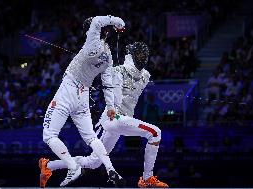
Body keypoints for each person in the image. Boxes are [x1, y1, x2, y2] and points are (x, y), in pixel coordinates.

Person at [42, 42, 169, 188]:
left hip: (123, 120)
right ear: (130, 56)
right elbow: (111, 90)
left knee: (94, 162)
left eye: (144, 55)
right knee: (155, 132)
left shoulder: (146, 76)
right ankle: (147, 178)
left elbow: (135, 82)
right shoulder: (117, 71)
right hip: (113, 119)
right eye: (139, 54)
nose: (142, 57)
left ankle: (49, 165)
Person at [39, 16, 125, 187]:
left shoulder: (92, 41)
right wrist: (110, 106)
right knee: (91, 137)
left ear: (92, 32)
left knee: (49, 135)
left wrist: (117, 21)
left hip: (69, 89)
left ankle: (72, 166)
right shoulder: (108, 57)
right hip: (83, 96)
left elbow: (96, 22)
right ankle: (110, 169)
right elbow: (107, 83)